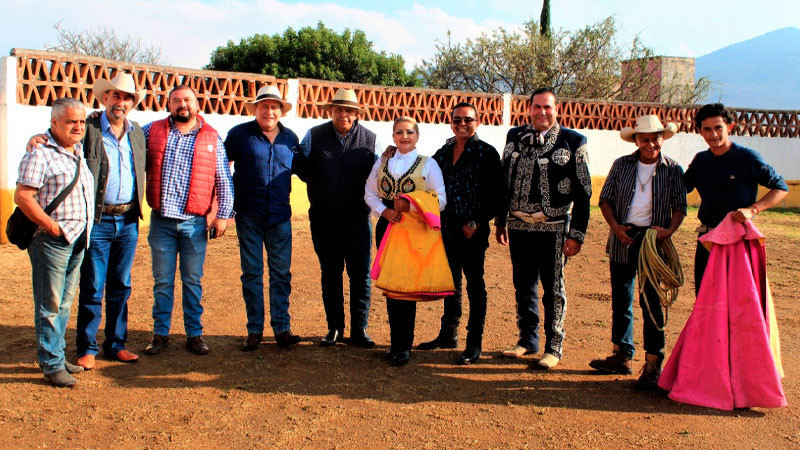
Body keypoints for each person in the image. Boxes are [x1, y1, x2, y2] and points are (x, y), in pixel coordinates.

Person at [24, 73, 147, 369]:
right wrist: (37, 136)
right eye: (115, 96)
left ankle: (116, 344)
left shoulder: (138, 132)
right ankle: (87, 346)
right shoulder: (89, 126)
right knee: (92, 285)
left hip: (129, 219)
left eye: (126, 97)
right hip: (99, 221)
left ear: (132, 103)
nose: (120, 102)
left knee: (121, 285)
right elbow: (60, 135)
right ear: (104, 98)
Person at [495, 87, 591, 370]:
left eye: (547, 107)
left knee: (553, 287)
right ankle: (528, 340)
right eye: (537, 107)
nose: (542, 112)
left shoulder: (573, 141)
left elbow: (584, 193)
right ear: (529, 109)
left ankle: (554, 346)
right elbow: (504, 180)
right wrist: (501, 220)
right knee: (522, 284)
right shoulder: (514, 136)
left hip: (554, 226)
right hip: (518, 224)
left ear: (556, 109)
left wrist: (577, 235)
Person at [589, 115, 687, 390]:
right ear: (636, 140)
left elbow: (680, 207)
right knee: (622, 299)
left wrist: (668, 231)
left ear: (662, 139)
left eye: (656, 137)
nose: (651, 143)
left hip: (653, 241)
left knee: (652, 304)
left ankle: (653, 364)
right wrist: (615, 227)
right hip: (623, 237)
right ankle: (623, 356)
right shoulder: (621, 165)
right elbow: (604, 200)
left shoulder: (673, 169)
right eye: (645, 138)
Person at [141, 85, 235, 356]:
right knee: (162, 281)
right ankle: (160, 334)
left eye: (187, 100)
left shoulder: (211, 137)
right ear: (168, 104)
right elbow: (123, 135)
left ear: (197, 103)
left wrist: (223, 215)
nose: (182, 104)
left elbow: (223, 179)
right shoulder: (152, 131)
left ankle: (194, 334)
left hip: (195, 223)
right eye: (176, 100)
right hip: (162, 221)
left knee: (193, 280)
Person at [415, 102, 503, 365]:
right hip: (446, 229)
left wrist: (475, 223)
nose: (462, 124)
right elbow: (423, 178)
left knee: (476, 286)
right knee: (450, 283)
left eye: (468, 120)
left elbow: (497, 195)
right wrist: (392, 154)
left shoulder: (487, 153)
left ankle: (474, 342)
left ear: (478, 122)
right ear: (450, 122)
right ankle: (448, 334)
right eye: (457, 120)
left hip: (473, 231)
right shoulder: (443, 152)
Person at [16, 98, 95, 387]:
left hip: (76, 240)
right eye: (70, 121)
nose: (77, 126)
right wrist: (51, 226)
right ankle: (50, 365)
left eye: (81, 121)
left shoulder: (77, 152)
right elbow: (23, 196)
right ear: (54, 123)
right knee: (48, 305)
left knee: (63, 303)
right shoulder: (40, 153)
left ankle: (58, 357)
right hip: (51, 241)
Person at [294, 88, 381, 348]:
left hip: (357, 218)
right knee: (330, 273)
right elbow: (299, 164)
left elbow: (379, 172)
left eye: (349, 110)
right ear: (330, 111)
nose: (344, 114)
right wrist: (320, 183)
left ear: (356, 114)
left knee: (360, 275)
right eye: (339, 109)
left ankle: (359, 329)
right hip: (323, 218)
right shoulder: (313, 136)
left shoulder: (370, 139)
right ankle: (334, 328)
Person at [365, 117, 447, 366]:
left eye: (409, 132)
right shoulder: (383, 161)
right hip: (388, 225)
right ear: (393, 136)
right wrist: (384, 210)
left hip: (414, 229)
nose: (404, 136)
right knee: (392, 286)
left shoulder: (428, 164)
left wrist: (411, 205)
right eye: (399, 132)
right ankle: (395, 343)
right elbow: (369, 192)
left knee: (406, 288)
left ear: (417, 136)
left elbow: (440, 198)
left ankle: (404, 346)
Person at [225, 85, 301, 351]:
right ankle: (254, 329)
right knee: (252, 273)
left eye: (274, 107)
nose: (269, 111)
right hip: (249, 214)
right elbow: (221, 167)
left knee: (281, 274)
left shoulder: (291, 139)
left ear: (281, 110)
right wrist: (222, 206)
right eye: (264, 106)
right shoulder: (239, 135)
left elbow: (304, 170)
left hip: (280, 215)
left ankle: (282, 328)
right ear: (256, 108)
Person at [683, 103, 788, 294]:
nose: (713, 134)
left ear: (729, 127)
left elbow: (781, 188)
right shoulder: (700, 161)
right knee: (705, 298)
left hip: (739, 240)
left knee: (739, 299)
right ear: (700, 132)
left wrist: (753, 209)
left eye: (718, 128)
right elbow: (679, 189)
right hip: (707, 239)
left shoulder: (747, 158)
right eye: (707, 129)